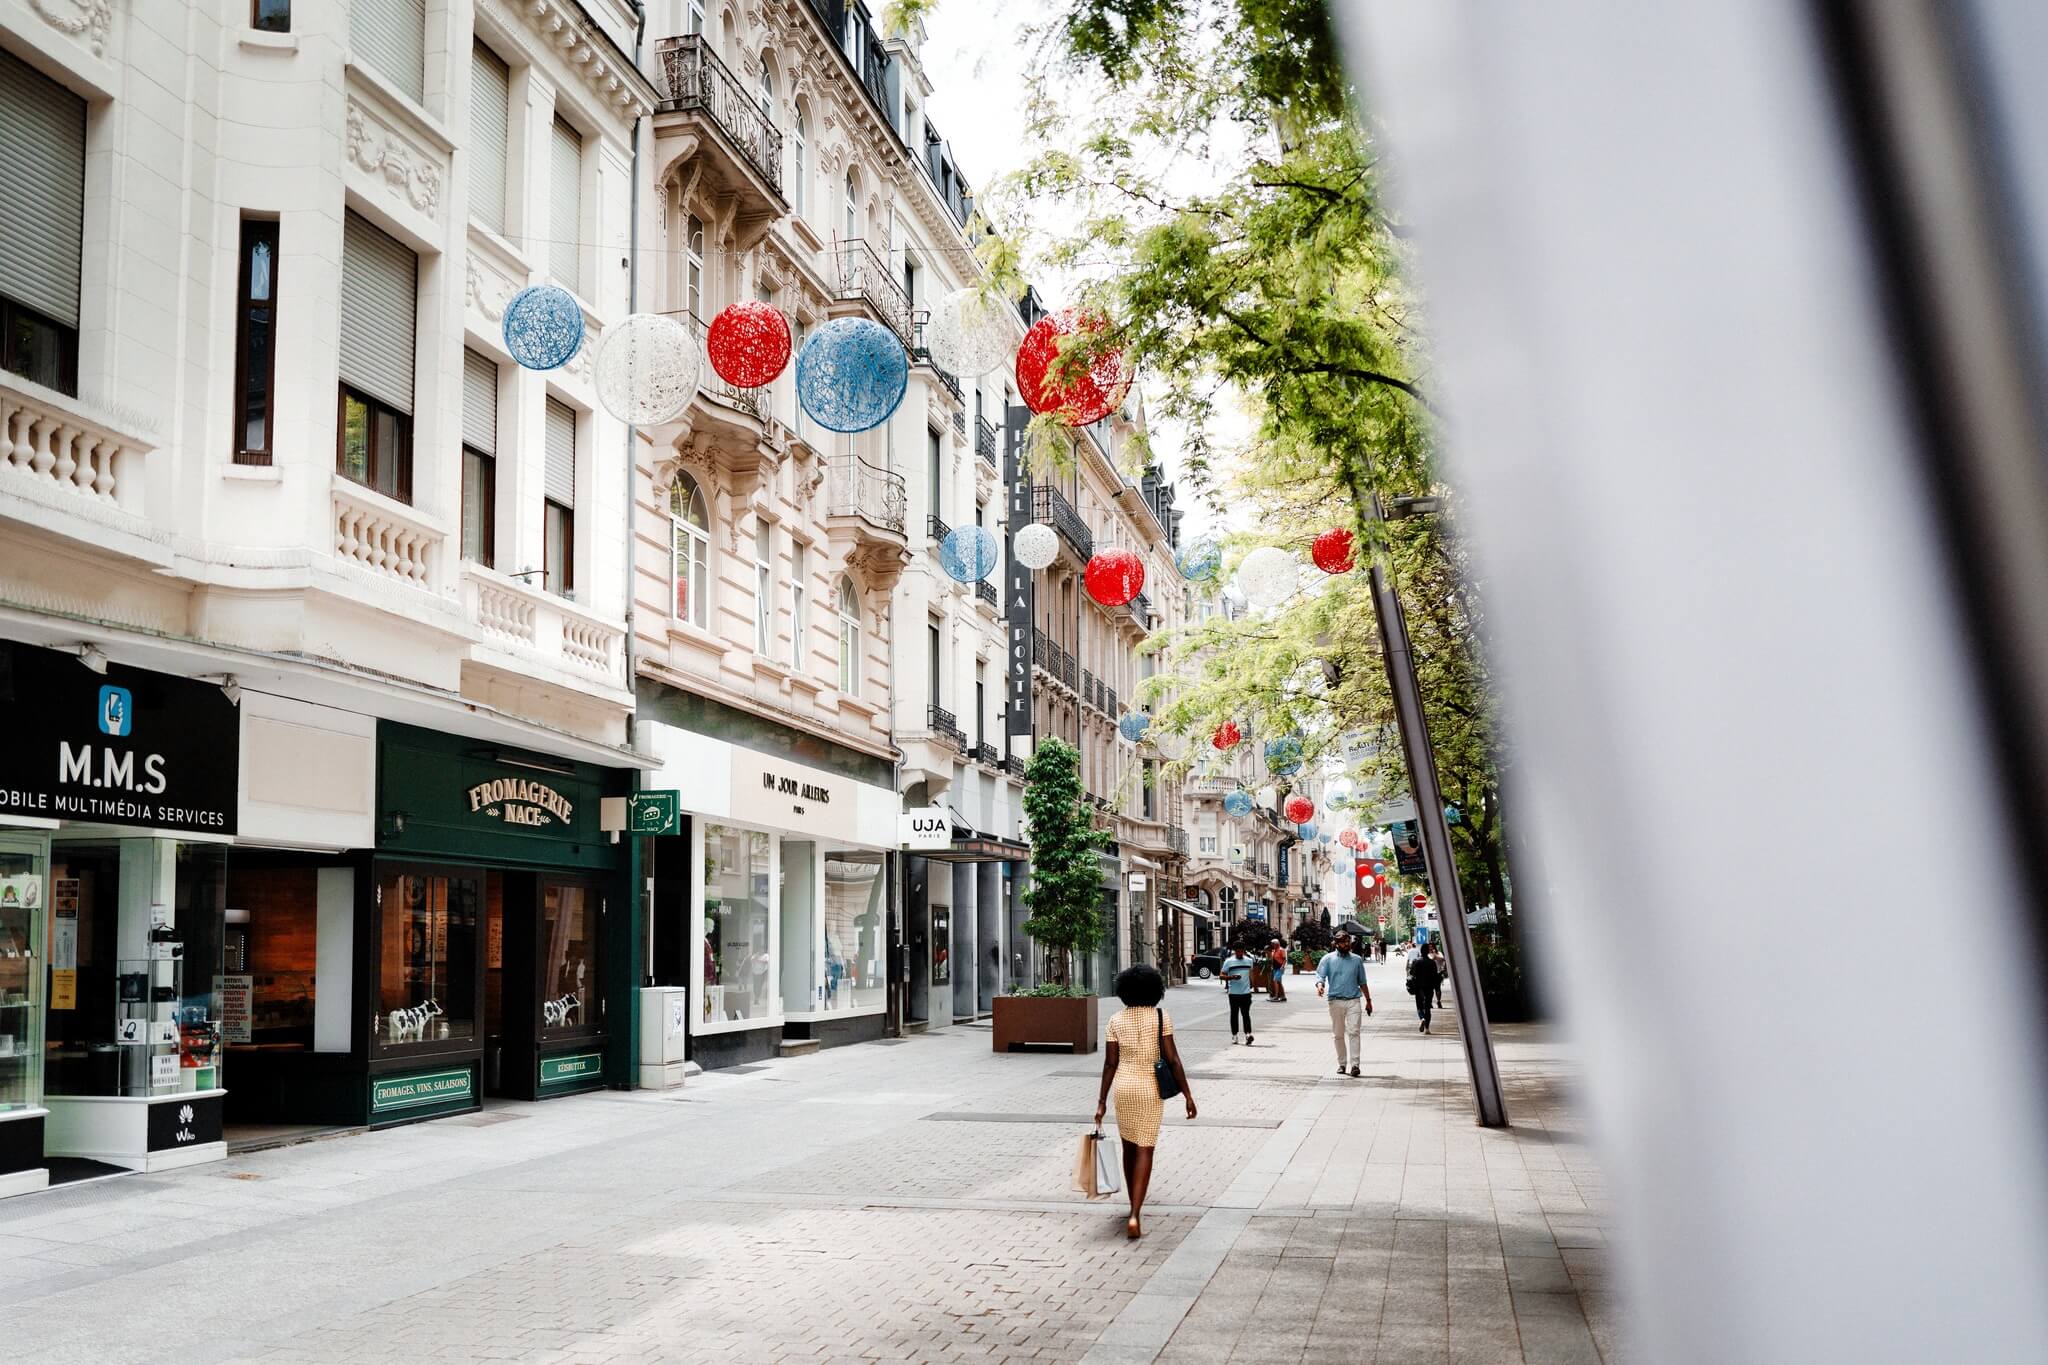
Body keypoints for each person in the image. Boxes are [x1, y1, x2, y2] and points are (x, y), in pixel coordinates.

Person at [1096, 965, 1195, 1239]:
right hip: (1150, 1089)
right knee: (1145, 1149)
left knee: (1129, 1146)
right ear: (1156, 990)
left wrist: (1102, 1101)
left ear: (1124, 991)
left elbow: (1109, 1063)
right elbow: (1173, 1059)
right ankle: (1135, 1214)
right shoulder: (1162, 1017)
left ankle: (1131, 1206)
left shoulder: (1115, 1020)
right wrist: (1187, 1094)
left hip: (1124, 1088)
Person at [1315, 932, 1373, 1076]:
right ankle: (1342, 1064)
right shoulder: (1327, 959)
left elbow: (1363, 982)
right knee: (1338, 1035)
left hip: (1353, 1001)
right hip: (1335, 1001)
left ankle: (1355, 1065)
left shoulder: (1357, 960)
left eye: (1348, 941)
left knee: (1354, 1032)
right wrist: (1320, 985)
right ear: (1336, 943)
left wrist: (1369, 1001)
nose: (1346, 944)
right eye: (1342, 942)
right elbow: (1320, 976)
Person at [1219, 942, 1257, 1044]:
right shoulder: (1229, 961)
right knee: (1234, 1014)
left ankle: (1248, 1035)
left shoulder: (1249, 961)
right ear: (1235, 951)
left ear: (1244, 950)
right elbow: (1221, 975)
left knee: (1246, 1014)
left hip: (1246, 993)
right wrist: (1231, 977)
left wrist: (1252, 985)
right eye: (1238, 951)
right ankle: (1234, 1035)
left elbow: (1251, 973)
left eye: (1241, 951)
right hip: (1233, 993)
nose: (1240, 953)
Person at [1407, 941, 1443, 1034]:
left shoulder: (1416, 962)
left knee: (1419, 1006)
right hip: (1429, 988)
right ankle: (1427, 1028)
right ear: (1427, 951)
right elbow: (1435, 976)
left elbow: (1412, 973)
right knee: (1427, 1007)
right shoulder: (1432, 963)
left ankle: (1422, 1018)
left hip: (1419, 987)